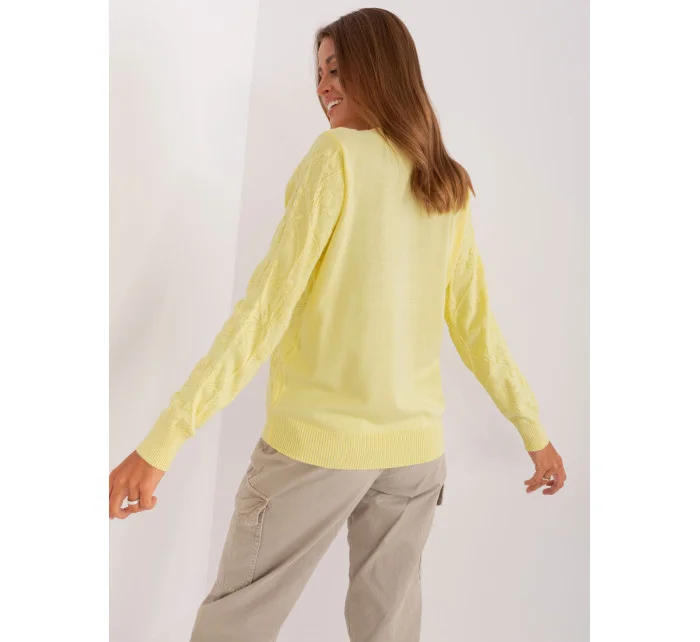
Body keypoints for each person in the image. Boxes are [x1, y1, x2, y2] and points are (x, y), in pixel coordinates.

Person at [109, 7, 567, 641]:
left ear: (378, 70)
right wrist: (534, 431)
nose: (323, 85)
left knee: (234, 625)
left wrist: (162, 443)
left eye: (336, 69)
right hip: (413, 458)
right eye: (319, 72)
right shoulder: (446, 181)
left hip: (318, 447)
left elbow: (264, 313)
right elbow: (477, 328)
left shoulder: (338, 158)